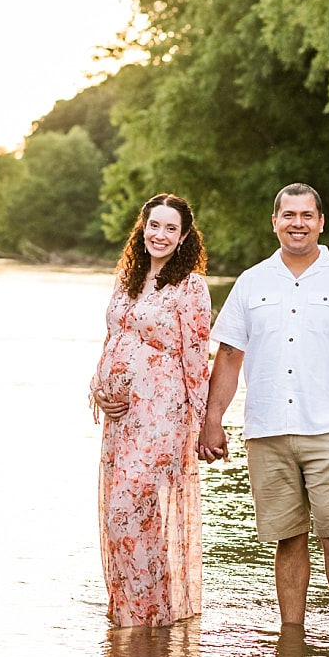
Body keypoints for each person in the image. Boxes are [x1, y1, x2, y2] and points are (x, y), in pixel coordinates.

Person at [197, 182, 329, 638]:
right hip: (267, 428)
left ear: (321, 223)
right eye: (289, 215)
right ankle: (291, 638)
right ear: (275, 222)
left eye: (307, 216)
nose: (297, 223)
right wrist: (212, 421)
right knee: (288, 538)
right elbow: (228, 356)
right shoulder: (251, 282)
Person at [90, 193, 212, 627]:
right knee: (121, 514)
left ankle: (150, 611)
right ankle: (139, 615)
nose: (160, 235)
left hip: (162, 415)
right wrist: (98, 389)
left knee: (131, 503)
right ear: (142, 230)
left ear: (183, 237)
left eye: (170, 228)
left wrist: (203, 426)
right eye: (153, 226)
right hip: (120, 420)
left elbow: (197, 358)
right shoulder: (128, 279)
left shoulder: (190, 286)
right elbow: (112, 340)